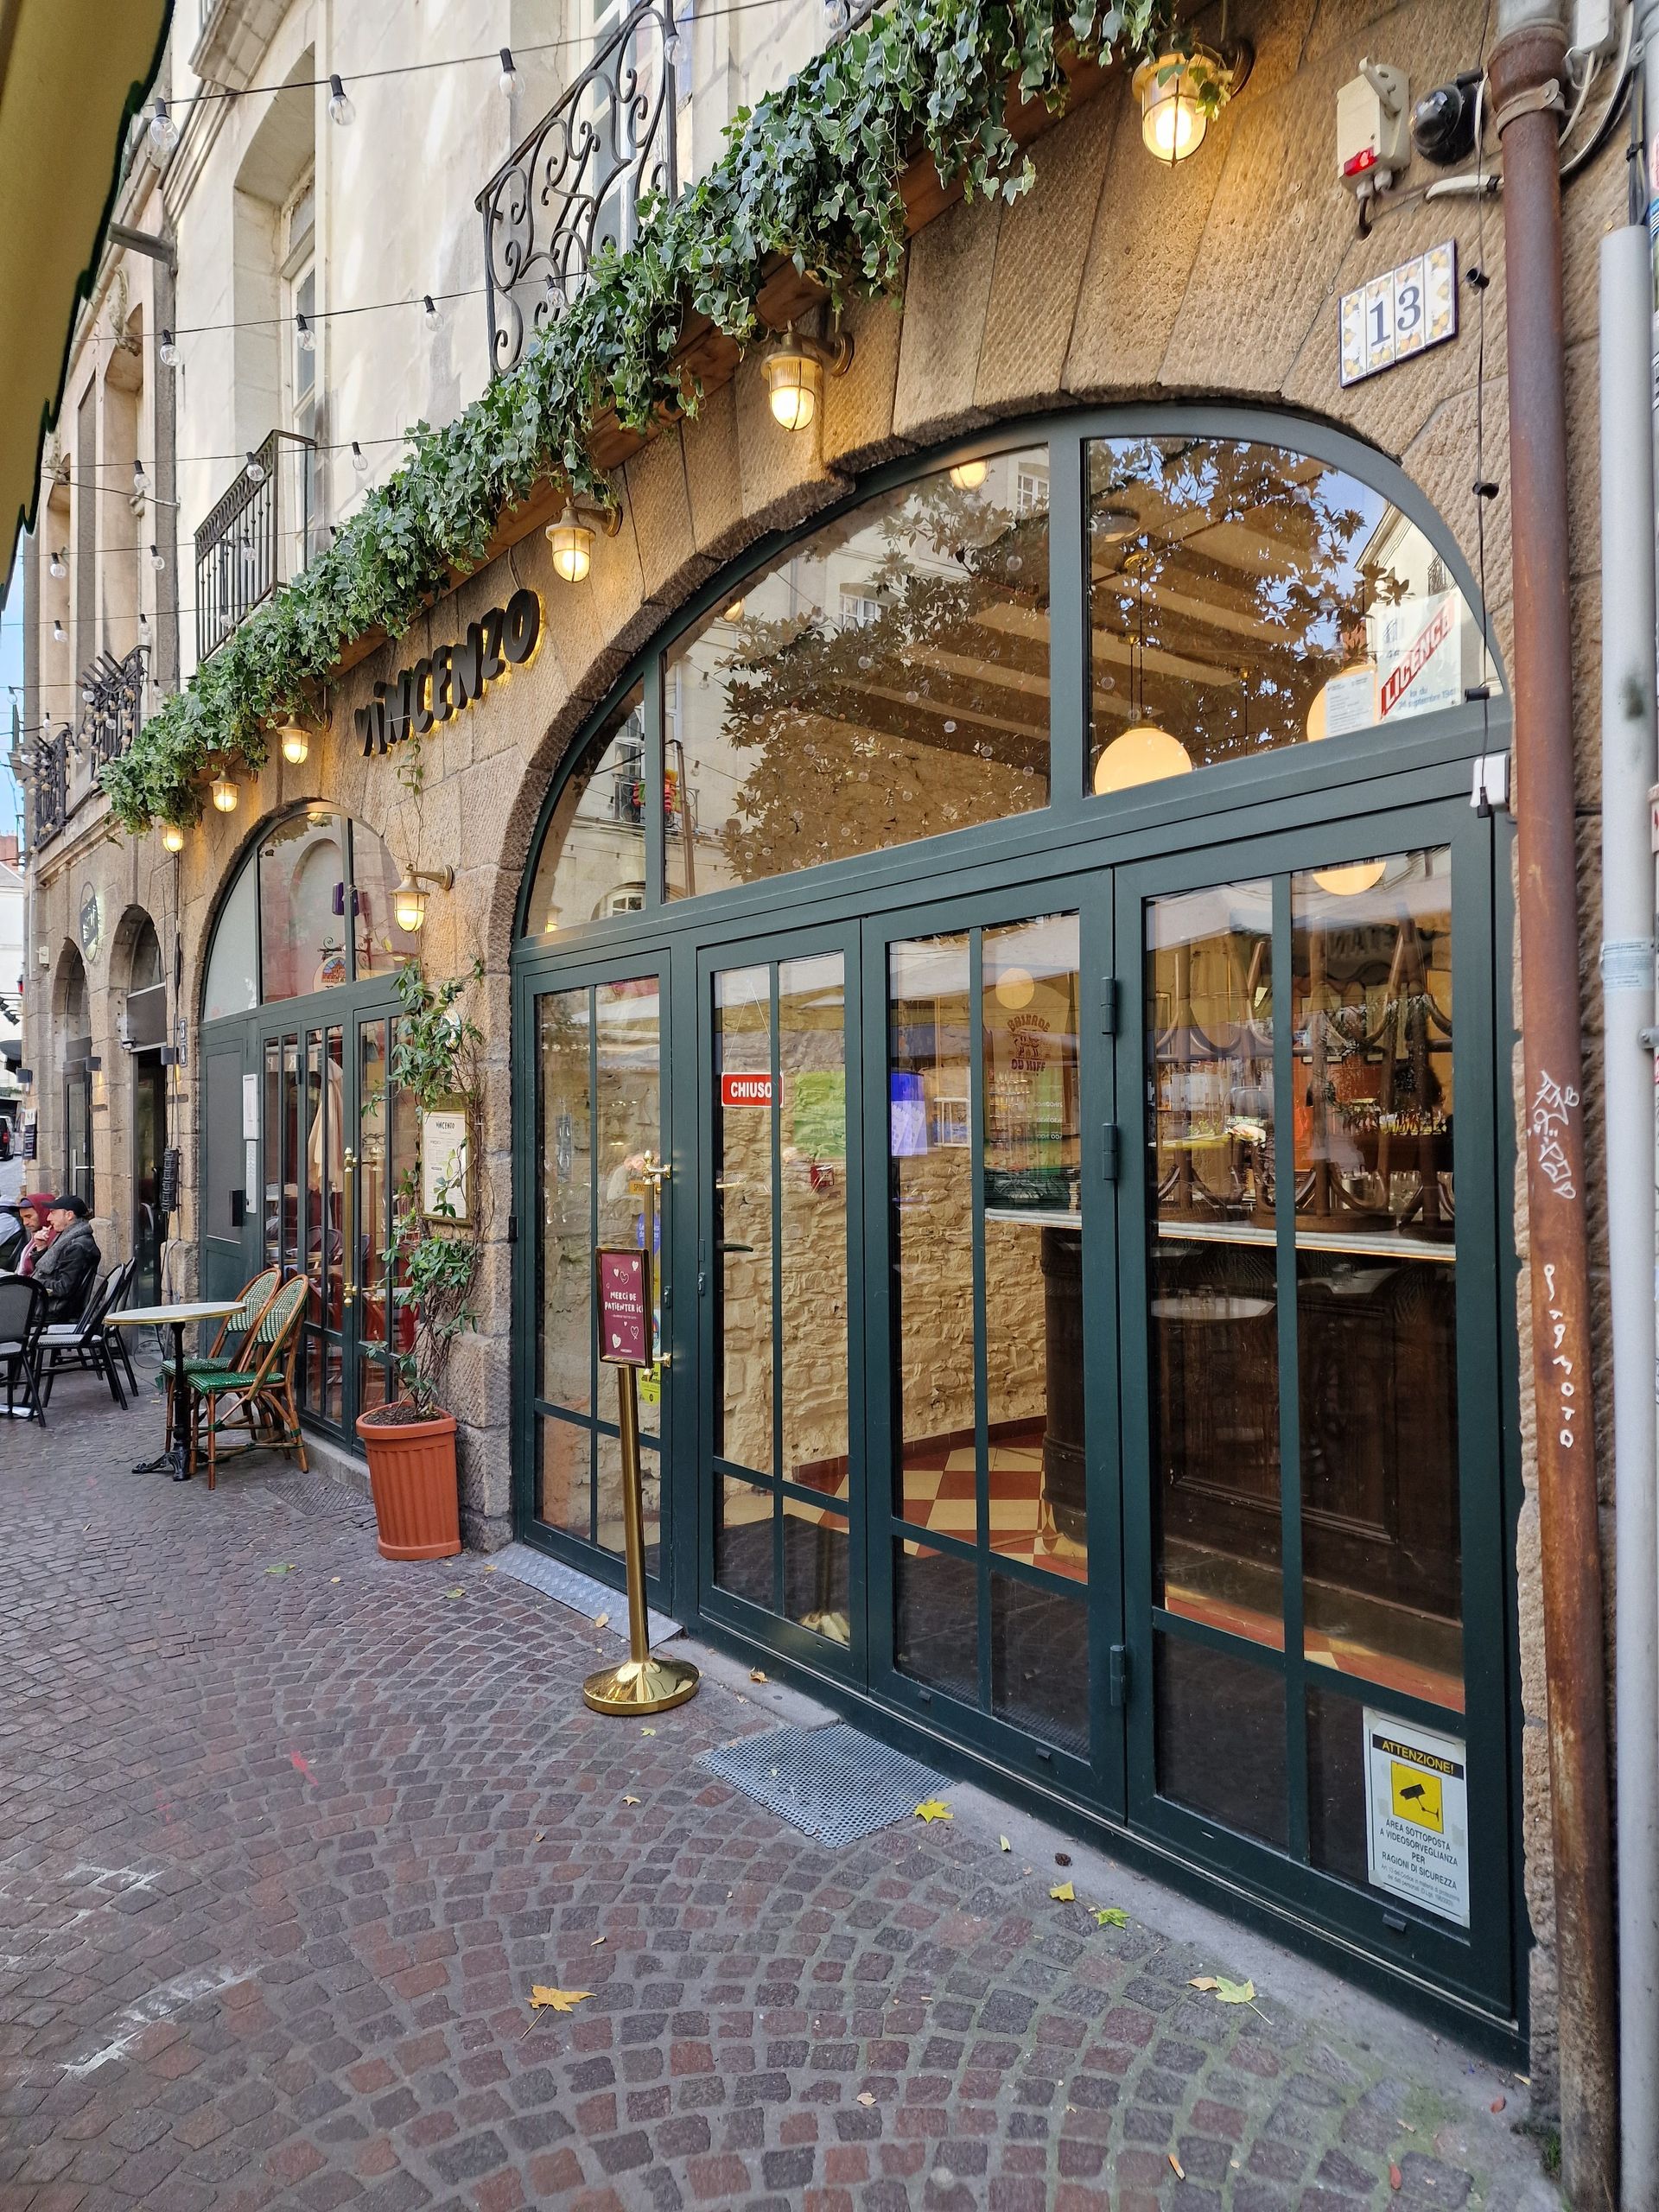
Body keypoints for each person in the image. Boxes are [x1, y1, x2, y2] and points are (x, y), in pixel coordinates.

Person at [31, 1197, 100, 1321]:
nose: (48, 1218)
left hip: (53, 1312)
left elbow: (64, 1287)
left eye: (53, 1212)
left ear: (69, 1215)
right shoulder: (67, 1237)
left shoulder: (77, 1246)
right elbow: (50, 1273)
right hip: (47, 1306)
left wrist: (33, 1282)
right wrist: (41, 1247)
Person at [14, 1193, 57, 1277]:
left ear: (44, 1212)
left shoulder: (52, 1237)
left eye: (28, 1216)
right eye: (22, 1218)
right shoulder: (37, 1235)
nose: (25, 1223)